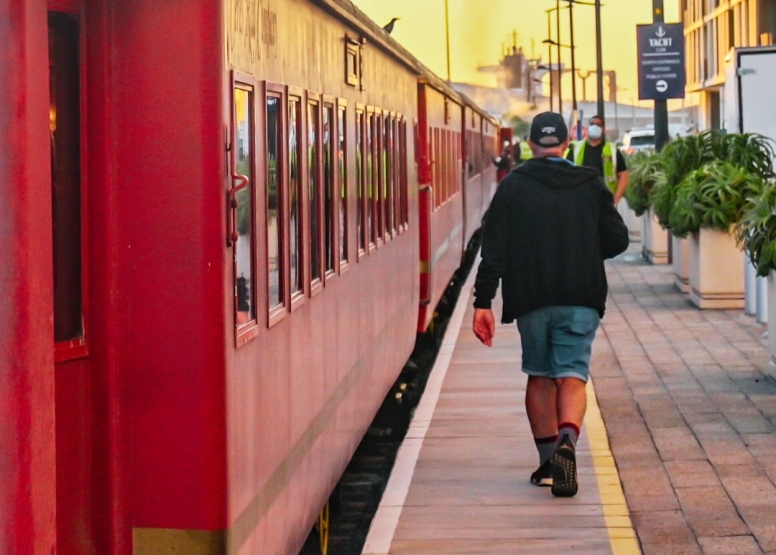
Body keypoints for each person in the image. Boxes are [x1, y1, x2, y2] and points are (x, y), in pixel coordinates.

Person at [472, 112, 629, 497]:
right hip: (581, 296)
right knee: (572, 376)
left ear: (529, 145)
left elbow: (493, 249)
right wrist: (588, 250)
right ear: (566, 144)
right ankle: (568, 443)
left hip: (532, 297)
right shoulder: (589, 182)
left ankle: (547, 464)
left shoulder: (514, 187)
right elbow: (618, 239)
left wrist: (483, 302)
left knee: (539, 376)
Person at [566, 115, 629, 205]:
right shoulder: (576, 148)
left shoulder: (612, 149)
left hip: (605, 199)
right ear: (588, 128)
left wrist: (616, 198)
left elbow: (623, 174)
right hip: (580, 199)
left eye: (598, 125)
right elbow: (566, 172)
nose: (595, 127)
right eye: (592, 124)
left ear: (603, 129)